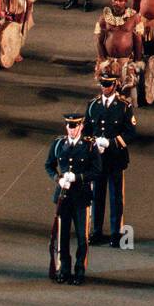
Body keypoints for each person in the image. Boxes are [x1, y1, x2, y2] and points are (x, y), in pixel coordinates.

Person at [45, 112, 102, 285]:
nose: (71, 130)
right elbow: (49, 165)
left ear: (81, 127)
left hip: (81, 197)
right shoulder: (58, 144)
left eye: (75, 126)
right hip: (64, 197)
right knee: (62, 237)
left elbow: (96, 171)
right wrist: (58, 179)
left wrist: (77, 178)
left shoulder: (89, 146)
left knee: (82, 237)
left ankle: (79, 271)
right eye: (69, 126)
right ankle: (64, 269)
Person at [84, 73, 137, 248]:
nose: (105, 88)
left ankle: (117, 233)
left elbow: (130, 132)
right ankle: (96, 231)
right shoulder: (93, 105)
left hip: (115, 158)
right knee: (96, 196)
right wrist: (94, 143)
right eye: (103, 85)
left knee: (116, 197)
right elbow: (87, 131)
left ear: (115, 86)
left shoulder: (123, 106)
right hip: (97, 159)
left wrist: (111, 143)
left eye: (108, 85)